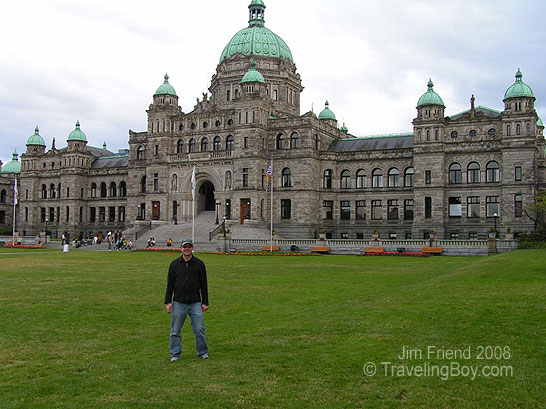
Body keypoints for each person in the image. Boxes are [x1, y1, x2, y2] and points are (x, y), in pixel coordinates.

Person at [164, 238, 209, 361]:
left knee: (199, 329)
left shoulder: (199, 264)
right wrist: (168, 302)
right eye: (185, 247)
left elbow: (204, 284)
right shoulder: (174, 264)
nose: (187, 249)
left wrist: (205, 302)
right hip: (179, 302)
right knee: (175, 331)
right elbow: (170, 284)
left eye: (189, 247)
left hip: (195, 302)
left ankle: (202, 351)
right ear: (181, 248)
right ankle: (175, 353)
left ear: (192, 248)